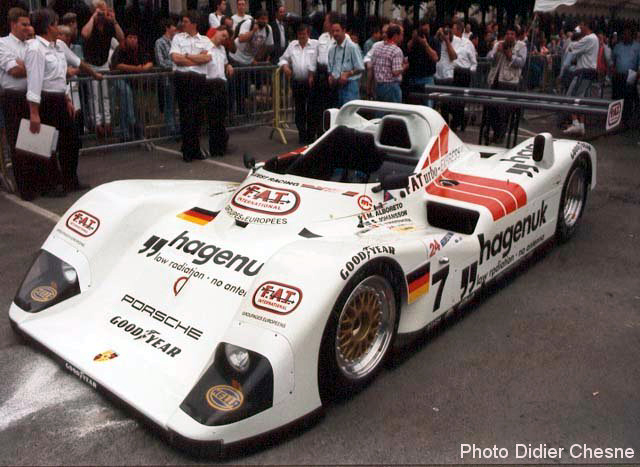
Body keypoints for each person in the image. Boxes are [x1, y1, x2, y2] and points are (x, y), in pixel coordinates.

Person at [25, 8, 84, 197]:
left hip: (59, 98)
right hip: (45, 100)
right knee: (46, 145)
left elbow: (58, 78)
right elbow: (34, 82)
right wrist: (34, 112)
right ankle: (49, 185)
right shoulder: (36, 49)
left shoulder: (57, 47)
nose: (58, 27)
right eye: (56, 23)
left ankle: (70, 179)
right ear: (48, 26)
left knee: (71, 141)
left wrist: (66, 98)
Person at [170, 10, 212, 162]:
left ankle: (195, 149)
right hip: (183, 78)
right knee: (186, 115)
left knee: (198, 115)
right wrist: (196, 60)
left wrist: (187, 56)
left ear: (194, 24)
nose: (183, 24)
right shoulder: (178, 38)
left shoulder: (205, 40)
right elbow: (176, 58)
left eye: (186, 21)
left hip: (199, 80)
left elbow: (207, 58)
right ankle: (187, 150)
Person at [0, 7, 33, 199]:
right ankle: (25, 188)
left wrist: (24, 65)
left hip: (31, 95)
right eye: (24, 24)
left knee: (35, 141)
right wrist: (32, 66)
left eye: (28, 24)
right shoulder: (3, 44)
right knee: (18, 143)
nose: (28, 28)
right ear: (13, 24)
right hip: (13, 97)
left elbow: (40, 67)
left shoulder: (30, 44)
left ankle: (38, 182)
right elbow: (13, 71)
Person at [81, 0, 124, 138]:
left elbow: (121, 38)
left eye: (104, 10)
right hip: (91, 65)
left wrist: (114, 20)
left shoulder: (109, 25)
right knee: (94, 96)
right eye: (100, 10)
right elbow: (85, 34)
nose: (103, 13)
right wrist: (93, 17)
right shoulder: (90, 24)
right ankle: (97, 123)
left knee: (105, 95)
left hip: (104, 63)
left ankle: (108, 121)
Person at [486, 27, 527, 144]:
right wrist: (496, 52)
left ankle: (500, 135)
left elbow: (521, 63)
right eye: (507, 34)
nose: (509, 36)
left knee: (503, 111)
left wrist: (510, 55)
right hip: (495, 80)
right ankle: (496, 132)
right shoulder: (498, 44)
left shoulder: (521, 46)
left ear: (516, 36)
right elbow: (489, 58)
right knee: (491, 109)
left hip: (510, 82)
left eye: (512, 34)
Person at [279, 22, 317, 144]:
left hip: (311, 82)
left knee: (311, 110)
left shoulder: (315, 44)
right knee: (299, 110)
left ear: (308, 34)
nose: (302, 36)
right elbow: (283, 59)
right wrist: (285, 67)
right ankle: (302, 135)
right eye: (300, 34)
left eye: (304, 34)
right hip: (297, 82)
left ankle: (311, 136)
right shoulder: (292, 45)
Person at [110, 29, 152, 141]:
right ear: (126, 38)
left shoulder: (139, 48)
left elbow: (150, 62)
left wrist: (144, 68)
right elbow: (117, 65)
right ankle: (132, 122)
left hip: (133, 81)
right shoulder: (120, 48)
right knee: (126, 94)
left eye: (135, 38)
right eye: (130, 37)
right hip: (118, 78)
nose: (133, 40)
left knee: (127, 103)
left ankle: (126, 132)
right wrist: (135, 69)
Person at [564, 21, 598, 136]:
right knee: (581, 99)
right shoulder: (594, 38)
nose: (580, 27)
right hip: (589, 72)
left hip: (583, 71)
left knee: (570, 97)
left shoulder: (589, 38)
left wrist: (572, 37)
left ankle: (575, 123)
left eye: (581, 25)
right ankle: (581, 125)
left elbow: (571, 48)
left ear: (586, 26)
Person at [205, 25, 234, 157]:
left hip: (221, 83)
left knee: (221, 117)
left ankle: (221, 146)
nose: (224, 39)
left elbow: (225, 62)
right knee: (213, 118)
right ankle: (214, 148)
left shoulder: (222, 49)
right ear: (216, 32)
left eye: (226, 37)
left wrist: (228, 65)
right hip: (209, 83)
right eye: (223, 35)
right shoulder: (205, 46)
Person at [328, 15, 364, 106]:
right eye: (333, 31)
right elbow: (330, 68)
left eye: (337, 31)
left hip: (350, 86)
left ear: (344, 31)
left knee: (349, 112)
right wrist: (331, 76)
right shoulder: (332, 49)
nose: (335, 33)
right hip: (336, 87)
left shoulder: (352, 47)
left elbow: (360, 68)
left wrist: (348, 74)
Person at [407, 17, 439, 107]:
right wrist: (414, 39)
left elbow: (435, 58)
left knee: (428, 106)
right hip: (414, 78)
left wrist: (425, 45)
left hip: (427, 78)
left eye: (426, 27)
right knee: (414, 107)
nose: (424, 30)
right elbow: (408, 49)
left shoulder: (433, 40)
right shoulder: (414, 41)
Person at [611, 26, 639, 129]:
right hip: (618, 76)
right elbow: (613, 61)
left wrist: (636, 75)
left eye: (628, 34)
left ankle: (626, 119)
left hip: (630, 76)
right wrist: (613, 71)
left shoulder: (637, 47)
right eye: (624, 34)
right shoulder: (618, 46)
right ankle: (615, 118)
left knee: (628, 99)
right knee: (617, 97)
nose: (626, 36)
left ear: (632, 35)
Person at [371, 24, 406, 103]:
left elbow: (372, 66)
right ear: (395, 36)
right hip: (391, 87)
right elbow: (395, 71)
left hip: (378, 86)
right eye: (401, 35)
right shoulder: (396, 50)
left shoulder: (377, 48)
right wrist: (405, 66)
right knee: (393, 110)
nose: (402, 38)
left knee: (380, 109)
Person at [155, 17, 178, 135]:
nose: (175, 28)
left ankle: (175, 126)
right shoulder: (159, 42)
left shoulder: (176, 41)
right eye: (173, 26)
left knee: (175, 103)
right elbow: (161, 61)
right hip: (167, 78)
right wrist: (176, 64)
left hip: (177, 77)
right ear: (167, 28)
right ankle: (170, 128)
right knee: (169, 103)